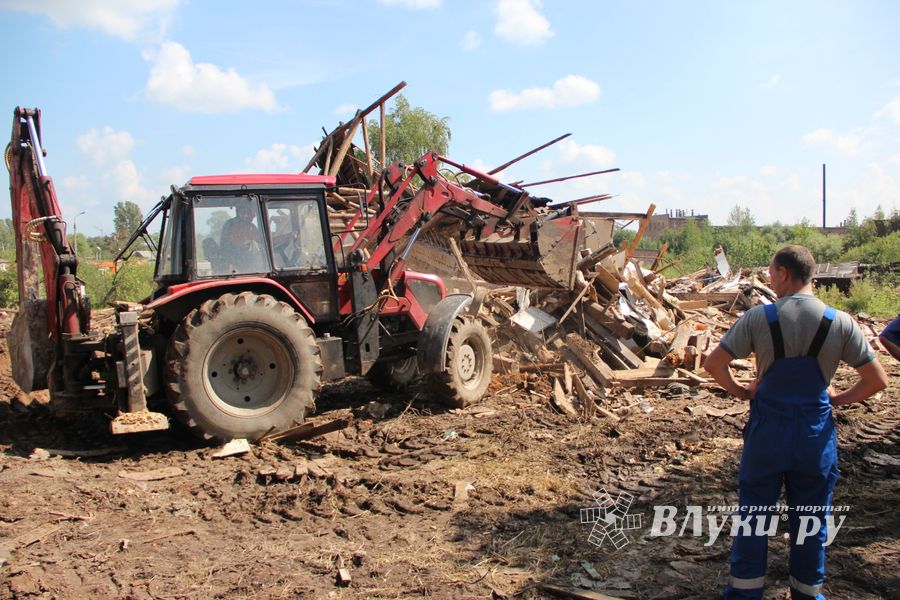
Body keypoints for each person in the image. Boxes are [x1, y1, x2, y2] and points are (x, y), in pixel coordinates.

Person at [704, 245, 888, 600]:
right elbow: (877, 381)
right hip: (814, 439)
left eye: (772, 273)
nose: (770, 280)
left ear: (784, 273)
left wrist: (743, 391)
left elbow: (713, 365)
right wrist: (836, 399)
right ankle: (807, 593)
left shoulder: (760, 318)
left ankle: (744, 594)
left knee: (754, 520)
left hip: (768, 436)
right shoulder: (840, 322)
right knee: (810, 523)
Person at [220, 203, 263, 272]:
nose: (254, 216)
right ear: (242, 211)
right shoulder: (234, 225)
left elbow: (261, 241)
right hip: (238, 262)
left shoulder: (248, 225)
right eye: (252, 211)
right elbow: (261, 241)